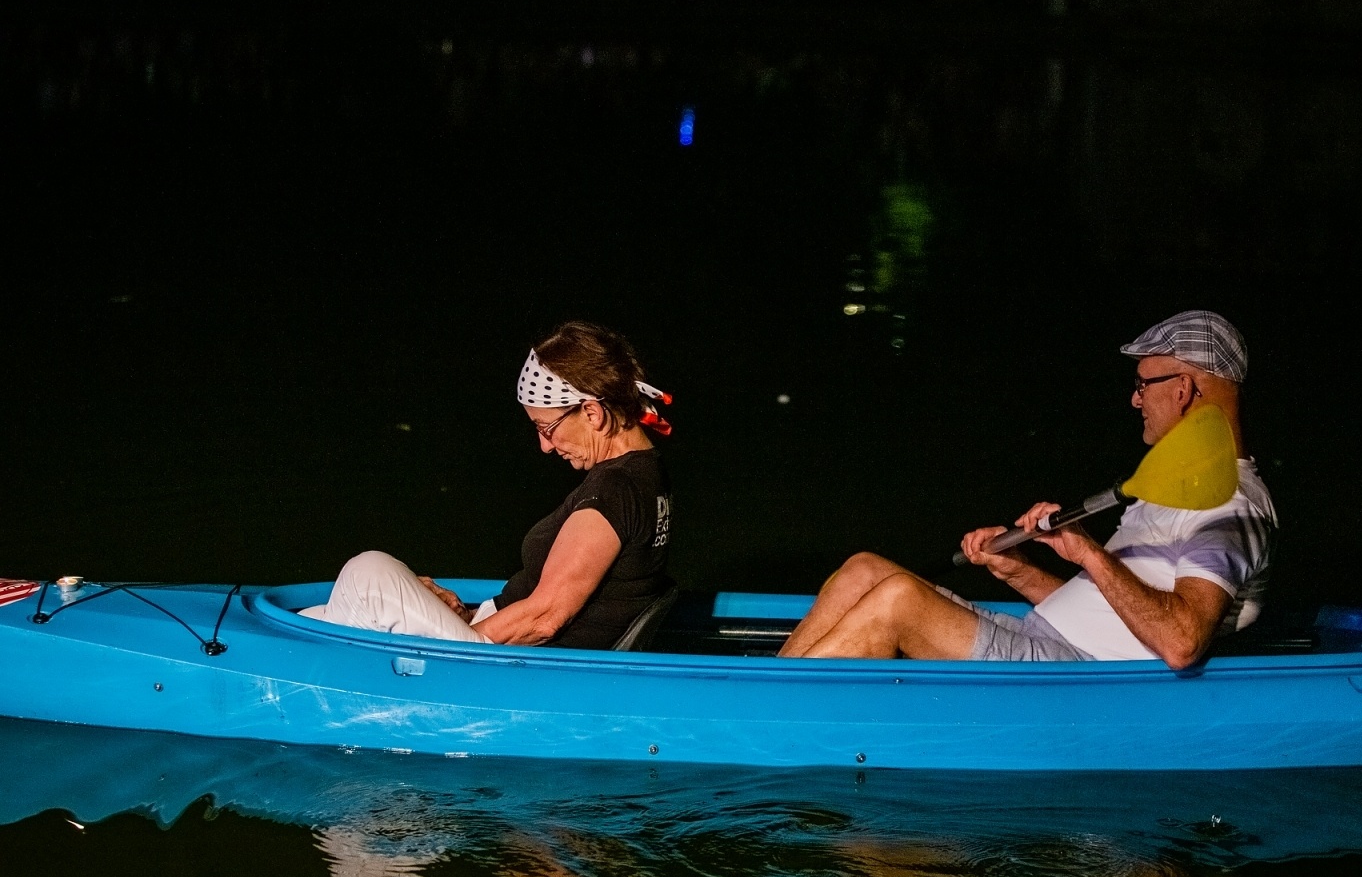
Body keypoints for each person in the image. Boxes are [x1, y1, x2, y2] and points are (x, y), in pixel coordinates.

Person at [778, 310, 1275, 670]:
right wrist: (1019, 571)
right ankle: (768, 694)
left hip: (1077, 677)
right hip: (1040, 639)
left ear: (1183, 389)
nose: (1134, 399)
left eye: (1144, 384)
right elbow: (1109, 612)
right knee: (864, 569)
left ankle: (769, 717)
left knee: (898, 600)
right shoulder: (1179, 486)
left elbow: (1182, 642)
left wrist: (1089, 553)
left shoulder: (1231, 507)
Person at [303, 321, 674, 647]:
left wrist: (463, 635)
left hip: (494, 660)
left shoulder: (616, 491)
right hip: (492, 628)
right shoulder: (644, 476)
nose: (545, 446)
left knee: (367, 575)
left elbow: (544, 617)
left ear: (592, 413)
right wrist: (458, 615)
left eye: (546, 428)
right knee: (321, 614)